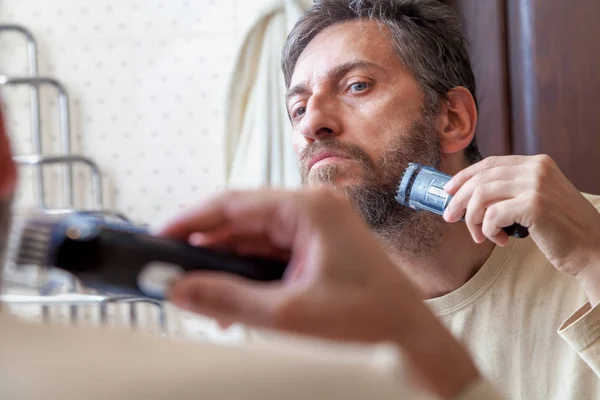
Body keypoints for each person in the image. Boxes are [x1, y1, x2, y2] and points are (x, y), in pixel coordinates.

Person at [155, 0, 600, 399]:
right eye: (298, 108)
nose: (313, 122)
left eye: (356, 86)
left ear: (452, 118)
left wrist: (594, 255)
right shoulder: (287, 318)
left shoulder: (586, 235)